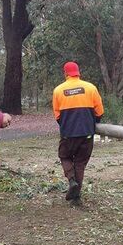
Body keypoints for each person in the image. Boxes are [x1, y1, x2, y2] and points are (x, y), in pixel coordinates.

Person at [52, 61, 104, 206]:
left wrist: (66, 126)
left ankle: (71, 180)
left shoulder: (58, 90)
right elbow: (99, 112)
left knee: (64, 156)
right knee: (80, 163)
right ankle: (76, 198)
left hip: (68, 134)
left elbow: (57, 116)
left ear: (65, 73)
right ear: (78, 73)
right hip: (87, 133)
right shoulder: (90, 88)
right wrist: (92, 123)